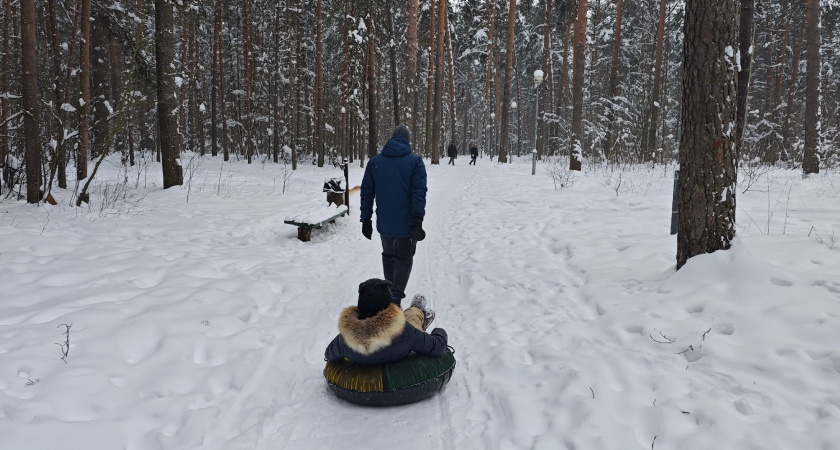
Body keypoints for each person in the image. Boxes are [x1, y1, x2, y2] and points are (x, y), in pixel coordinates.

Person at [360, 125, 427, 305]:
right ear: (407, 140)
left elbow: (367, 192)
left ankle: (389, 293)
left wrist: (366, 219)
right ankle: (395, 298)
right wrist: (417, 218)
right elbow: (419, 192)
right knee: (404, 259)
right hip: (406, 226)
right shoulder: (415, 162)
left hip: (385, 223)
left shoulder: (375, 162)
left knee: (388, 256)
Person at [324, 278, 447, 365]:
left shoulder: (346, 338)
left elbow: (329, 355)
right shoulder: (405, 331)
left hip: (366, 375)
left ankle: (417, 311)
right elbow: (437, 347)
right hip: (402, 344)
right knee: (411, 321)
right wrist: (439, 332)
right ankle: (417, 311)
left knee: (405, 322)